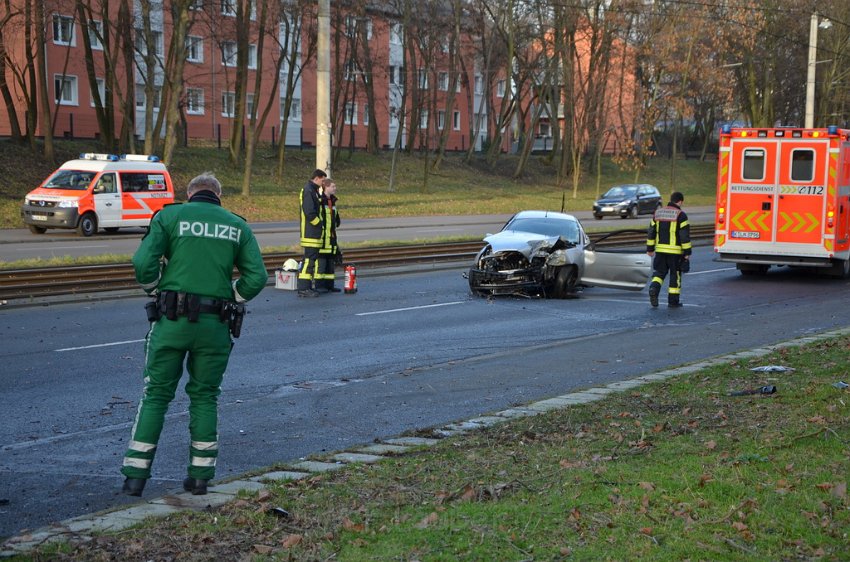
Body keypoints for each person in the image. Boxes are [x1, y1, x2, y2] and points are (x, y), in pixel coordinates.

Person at [120, 172, 267, 497]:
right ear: (218, 195)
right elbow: (257, 277)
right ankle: (200, 476)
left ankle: (136, 476)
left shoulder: (170, 216)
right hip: (215, 326)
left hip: (172, 321)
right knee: (205, 396)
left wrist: (156, 288)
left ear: (190, 194)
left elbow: (143, 261)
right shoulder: (237, 226)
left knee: (156, 394)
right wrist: (233, 296)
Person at [646, 191, 691, 308]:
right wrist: (687, 252)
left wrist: (650, 248)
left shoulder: (658, 213)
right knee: (675, 276)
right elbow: (684, 236)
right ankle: (673, 301)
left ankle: (653, 289)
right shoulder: (681, 215)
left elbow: (651, 232)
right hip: (675, 253)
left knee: (659, 273)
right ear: (680, 201)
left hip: (660, 251)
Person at [297, 168, 328, 297]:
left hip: (313, 233)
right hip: (311, 233)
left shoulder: (313, 190)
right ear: (316, 178)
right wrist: (319, 225)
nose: (323, 183)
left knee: (310, 261)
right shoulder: (309, 191)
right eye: (323, 180)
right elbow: (309, 212)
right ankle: (304, 288)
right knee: (309, 261)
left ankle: (307, 287)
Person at [315, 178, 341, 292]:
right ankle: (320, 286)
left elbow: (335, 218)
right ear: (326, 187)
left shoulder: (333, 201)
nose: (335, 188)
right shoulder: (320, 201)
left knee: (330, 263)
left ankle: (330, 285)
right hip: (322, 238)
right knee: (321, 263)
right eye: (333, 186)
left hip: (331, 238)